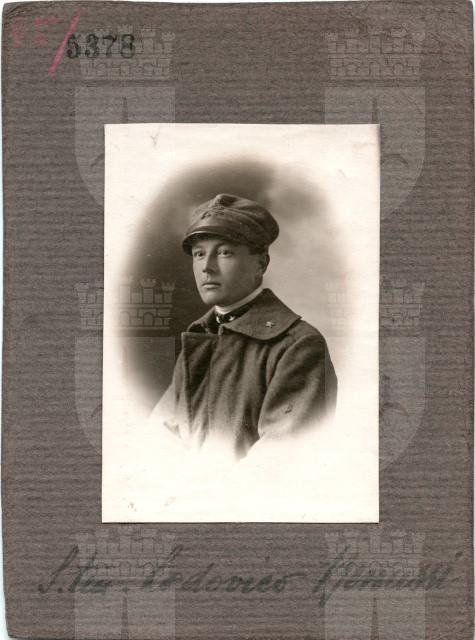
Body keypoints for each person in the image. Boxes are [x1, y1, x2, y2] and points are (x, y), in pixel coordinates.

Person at [149, 193, 337, 460]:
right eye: (199, 254)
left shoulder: (297, 345)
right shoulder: (200, 338)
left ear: (260, 264)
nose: (207, 267)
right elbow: (157, 442)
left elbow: (281, 460)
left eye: (224, 252)